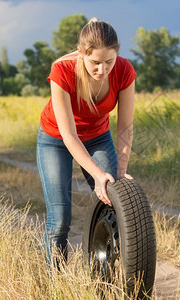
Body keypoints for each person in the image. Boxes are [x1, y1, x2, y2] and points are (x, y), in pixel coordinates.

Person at [36, 18, 136, 265]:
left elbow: (125, 127)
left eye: (109, 62)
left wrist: (119, 171)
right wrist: (97, 173)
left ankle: (104, 271)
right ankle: (57, 283)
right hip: (56, 139)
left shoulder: (124, 71)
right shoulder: (62, 71)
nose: (102, 70)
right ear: (81, 54)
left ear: (117, 55)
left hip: (97, 137)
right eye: (95, 63)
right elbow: (69, 135)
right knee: (60, 219)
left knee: (114, 195)